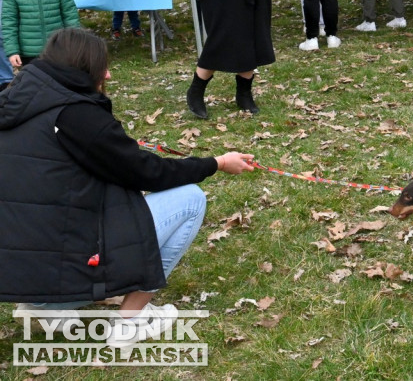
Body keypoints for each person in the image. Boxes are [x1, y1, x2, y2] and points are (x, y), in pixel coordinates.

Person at [0, 28, 255, 347]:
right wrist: (216, 163)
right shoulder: (76, 115)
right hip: (55, 261)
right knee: (189, 200)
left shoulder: (18, 100)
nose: (107, 73)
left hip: (19, 268)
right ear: (83, 70)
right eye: (101, 66)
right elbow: (146, 172)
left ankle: (44, 305)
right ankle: (129, 322)